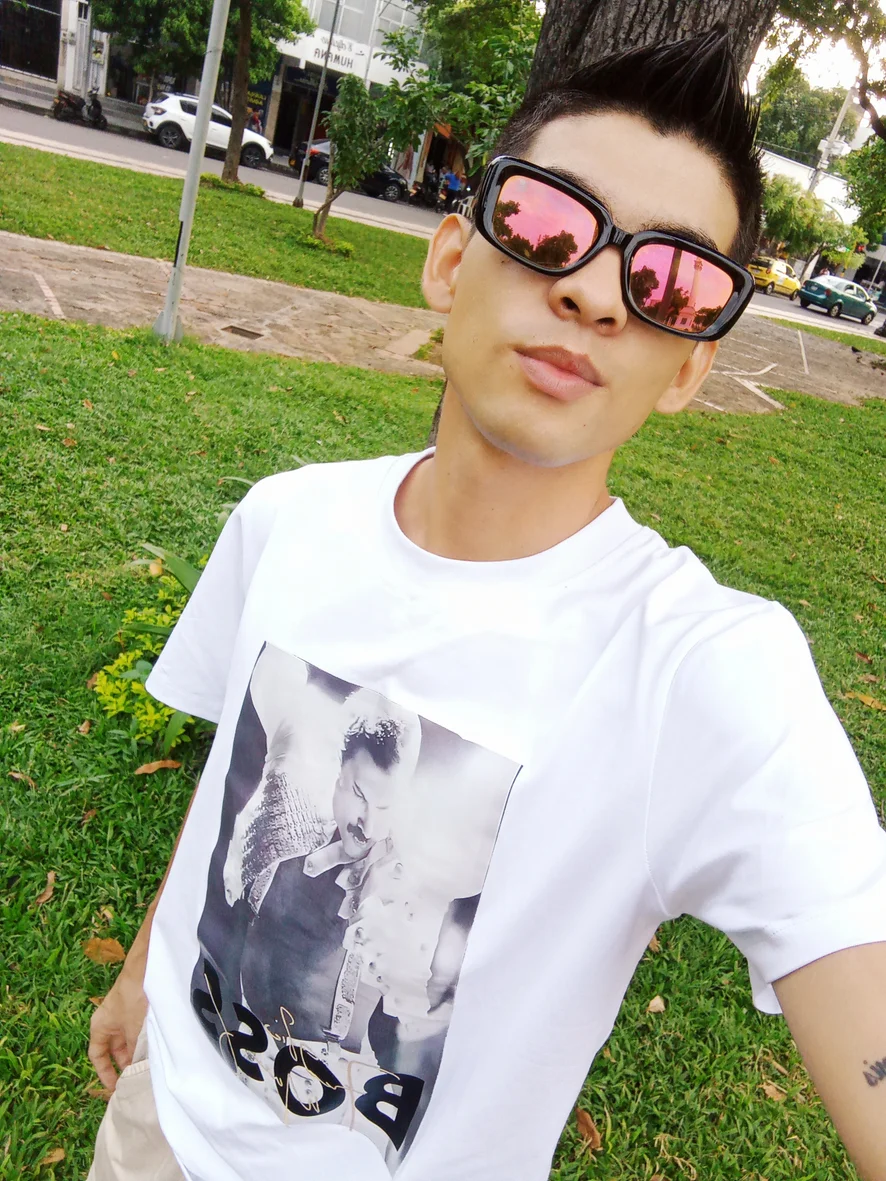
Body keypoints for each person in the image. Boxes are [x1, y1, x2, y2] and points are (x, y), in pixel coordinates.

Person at [87, 28, 886, 1181]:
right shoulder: (286, 519)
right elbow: (233, 784)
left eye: (670, 281)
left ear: (688, 367)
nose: (594, 292)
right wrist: (141, 966)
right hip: (158, 1129)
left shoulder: (705, 677)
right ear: (452, 259)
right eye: (549, 223)